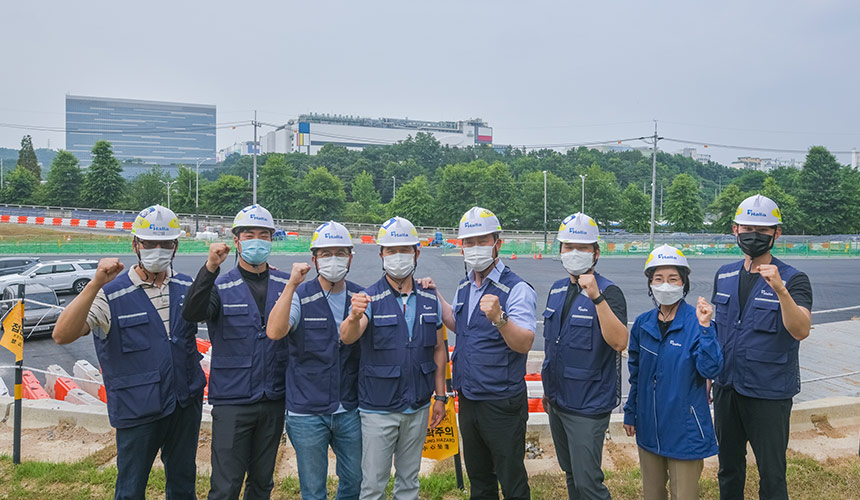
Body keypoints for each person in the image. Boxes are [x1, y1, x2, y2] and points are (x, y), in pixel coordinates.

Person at [53, 204, 206, 500]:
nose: (157, 250)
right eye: (150, 244)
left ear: (175, 247)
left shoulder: (186, 286)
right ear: (135, 244)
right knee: (131, 487)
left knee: (183, 483)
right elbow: (62, 334)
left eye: (165, 244)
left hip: (184, 402)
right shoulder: (110, 294)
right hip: (138, 411)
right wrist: (95, 282)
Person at [425, 206, 536, 500]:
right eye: (469, 242)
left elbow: (524, 343)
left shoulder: (517, 289)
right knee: (480, 479)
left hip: (502, 401)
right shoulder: (465, 286)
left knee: (511, 478)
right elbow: (460, 325)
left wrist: (500, 319)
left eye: (482, 241)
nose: (475, 248)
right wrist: (435, 296)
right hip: (470, 397)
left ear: (497, 243)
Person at [182, 204, 290, 500]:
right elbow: (192, 313)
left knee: (262, 483)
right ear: (237, 240)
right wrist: (210, 268)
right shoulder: (219, 285)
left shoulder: (286, 284)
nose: (257, 240)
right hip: (233, 400)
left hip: (273, 397)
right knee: (226, 484)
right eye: (249, 234)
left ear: (271, 239)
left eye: (264, 234)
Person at [711, 194, 812, 500]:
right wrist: (708, 375)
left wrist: (781, 291)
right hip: (727, 388)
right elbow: (720, 331)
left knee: (772, 472)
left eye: (763, 229)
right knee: (728, 468)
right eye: (747, 227)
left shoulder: (794, 280)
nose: (753, 235)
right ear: (735, 229)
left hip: (769, 392)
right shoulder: (724, 275)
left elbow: (801, 329)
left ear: (776, 233)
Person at [340, 216, 447, 500]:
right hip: (378, 409)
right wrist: (353, 316)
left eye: (405, 249)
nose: (398, 256)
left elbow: (438, 349)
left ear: (417, 253)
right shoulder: (368, 299)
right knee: (373, 484)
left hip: (419, 405)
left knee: (409, 482)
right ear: (381, 255)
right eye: (391, 250)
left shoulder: (429, 298)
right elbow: (349, 337)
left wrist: (440, 396)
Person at [266, 221, 363, 500]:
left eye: (340, 253)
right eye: (325, 253)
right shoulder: (299, 296)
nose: (334, 259)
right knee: (312, 488)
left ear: (350, 257)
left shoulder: (360, 296)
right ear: (314, 259)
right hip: (307, 411)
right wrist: (291, 284)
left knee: (354, 480)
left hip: (349, 408)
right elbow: (275, 331)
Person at [623, 245, 723, 500]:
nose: (665, 285)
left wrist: (705, 328)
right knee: (652, 494)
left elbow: (710, 368)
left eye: (673, 279)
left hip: (685, 430)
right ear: (650, 284)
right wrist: (631, 413)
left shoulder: (696, 322)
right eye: (658, 279)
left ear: (684, 283)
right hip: (649, 427)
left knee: (684, 495)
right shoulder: (643, 324)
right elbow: (636, 375)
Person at [541, 213, 628, 500]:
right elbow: (554, 345)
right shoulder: (556, 289)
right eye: (568, 247)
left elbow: (619, 342)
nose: (574, 253)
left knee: (589, 482)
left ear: (596, 253)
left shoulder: (609, 292)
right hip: (558, 400)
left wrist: (597, 299)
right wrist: (547, 391)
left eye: (583, 247)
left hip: (588, 405)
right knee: (571, 474)